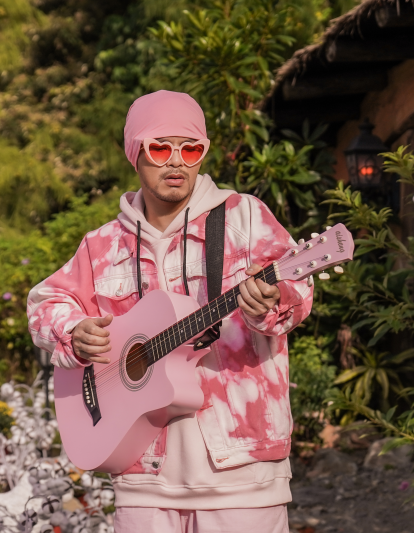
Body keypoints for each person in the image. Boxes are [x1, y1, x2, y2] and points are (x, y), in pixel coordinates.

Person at [27, 90, 313, 532]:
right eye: (160, 148)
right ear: (135, 153)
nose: (177, 161)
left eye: (191, 149)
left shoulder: (244, 218)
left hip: (242, 472)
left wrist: (269, 305)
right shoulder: (103, 244)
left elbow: (297, 289)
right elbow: (47, 302)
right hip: (140, 473)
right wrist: (75, 332)